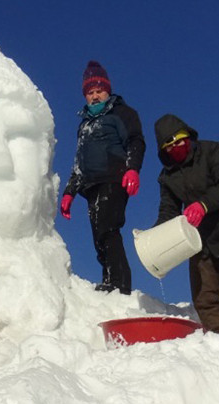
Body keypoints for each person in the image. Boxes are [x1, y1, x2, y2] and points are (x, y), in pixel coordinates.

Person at [153, 113, 219, 339]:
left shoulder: (213, 152)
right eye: (170, 145)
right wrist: (155, 237)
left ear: (188, 136)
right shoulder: (167, 177)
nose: (176, 147)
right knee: (203, 296)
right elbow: (168, 211)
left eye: (179, 140)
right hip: (201, 239)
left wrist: (203, 205)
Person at [59, 61, 146, 295]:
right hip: (91, 185)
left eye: (99, 91)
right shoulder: (84, 126)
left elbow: (135, 140)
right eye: (90, 92)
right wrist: (69, 192)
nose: (95, 96)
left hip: (114, 178)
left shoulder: (120, 113)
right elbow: (79, 162)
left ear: (107, 91)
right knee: (99, 235)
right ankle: (109, 280)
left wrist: (132, 169)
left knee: (108, 229)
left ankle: (119, 285)